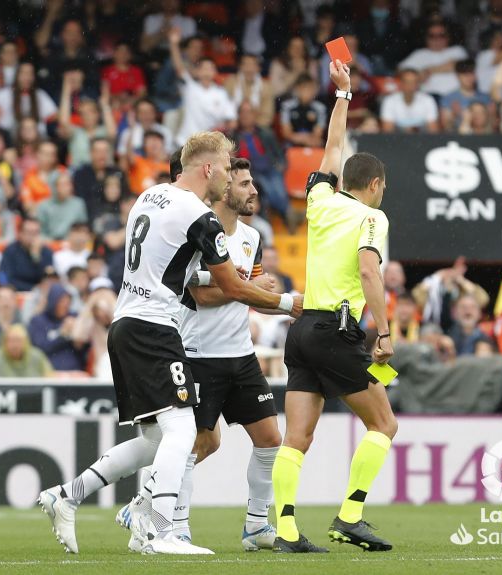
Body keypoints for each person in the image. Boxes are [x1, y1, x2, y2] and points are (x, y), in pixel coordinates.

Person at [38, 130, 300, 555]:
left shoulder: (149, 197)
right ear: (209, 168)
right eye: (228, 167)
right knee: (182, 430)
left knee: (156, 440)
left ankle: (68, 494)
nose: (230, 178)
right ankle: (161, 531)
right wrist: (289, 302)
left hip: (126, 324)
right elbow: (231, 286)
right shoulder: (201, 217)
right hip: (154, 328)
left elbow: (170, 268)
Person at [116, 158, 284, 550]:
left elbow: (250, 295)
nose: (253, 190)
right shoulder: (194, 224)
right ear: (225, 190)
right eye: (243, 183)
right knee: (198, 444)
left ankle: (257, 526)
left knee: (269, 437)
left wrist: (258, 293)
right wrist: (263, 294)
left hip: (240, 353)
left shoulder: (253, 237)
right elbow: (201, 294)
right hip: (198, 352)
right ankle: (171, 523)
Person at [272, 59, 397, 554]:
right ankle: (350, 516)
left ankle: (283, 531)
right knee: (384, 424)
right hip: (336, 332)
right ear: (374, 185)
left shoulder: (321, 201)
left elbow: (331, 149)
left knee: (296, 437)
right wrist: (383, 334)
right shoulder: (372, 216)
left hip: (302, 331)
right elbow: (370, 270)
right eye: (381, 188)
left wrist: (342, 96)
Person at [168, 27, 236, 146]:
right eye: (203, 68)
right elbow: (179, 67)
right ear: (197, 72)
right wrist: (174, 44)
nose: (206, 71)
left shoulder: (221, 93)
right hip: (185, 143)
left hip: (209, 146)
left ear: (215, 72)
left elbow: (232, 121)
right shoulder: (190, 87)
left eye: (210, 68)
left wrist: (223, 128)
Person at [380, 68, 439, 133]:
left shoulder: (428, 100)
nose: (410, 86)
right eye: (407, 82)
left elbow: (433, 131)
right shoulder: (390, 101)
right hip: (397, 140)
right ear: (401, 83)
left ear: (418, 84)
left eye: (414, 82)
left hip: (422, 139)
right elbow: (387, 132)